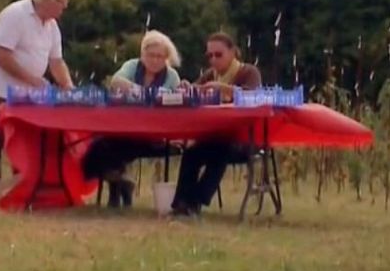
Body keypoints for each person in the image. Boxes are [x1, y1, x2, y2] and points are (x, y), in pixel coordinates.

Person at [0, 0, 75, 202]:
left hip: (26, 95)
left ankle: (20, 189)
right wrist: (34, 80)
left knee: (23, 143)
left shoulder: (51, 27)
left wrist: (68, 85)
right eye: (62, 1)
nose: (64, 7)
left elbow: (56, 61)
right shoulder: (15, 15)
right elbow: (1, 55)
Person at [82, 30, 184, 208]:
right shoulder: (132, 65)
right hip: (125, 127)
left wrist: (138, 93)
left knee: (115, 147)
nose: (154, 60)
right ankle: (120, 183)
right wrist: (143, 93)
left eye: (160, 56)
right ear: (143, 54)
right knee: (99, 145)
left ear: (166, 58)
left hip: (154, 133)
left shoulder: (171, 76)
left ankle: (119, 186)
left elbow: (169, 98)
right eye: (151, 55)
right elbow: (117, 81)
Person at [171, 32, 263, 216]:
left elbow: (254, 97)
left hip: (245, 139)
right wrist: (187, 88)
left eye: (218, 55)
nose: (213, 59)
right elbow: (195, 91)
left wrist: (224, 89)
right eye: (209, 55)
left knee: (220, 150)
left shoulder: (248, 72)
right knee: (192, 153)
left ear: (233, 52)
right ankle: (181, 203)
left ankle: (196, 201)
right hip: (215, 136)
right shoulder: (210, 75)